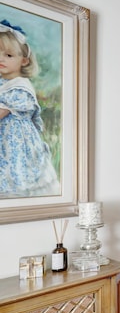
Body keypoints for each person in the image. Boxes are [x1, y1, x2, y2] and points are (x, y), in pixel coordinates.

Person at [0, 20, 60, 198]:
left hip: (16, 143)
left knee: (17, 176)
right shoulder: (3, 83)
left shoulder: (20, 87)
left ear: (24, 60)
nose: (1, 59)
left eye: (9, 55)